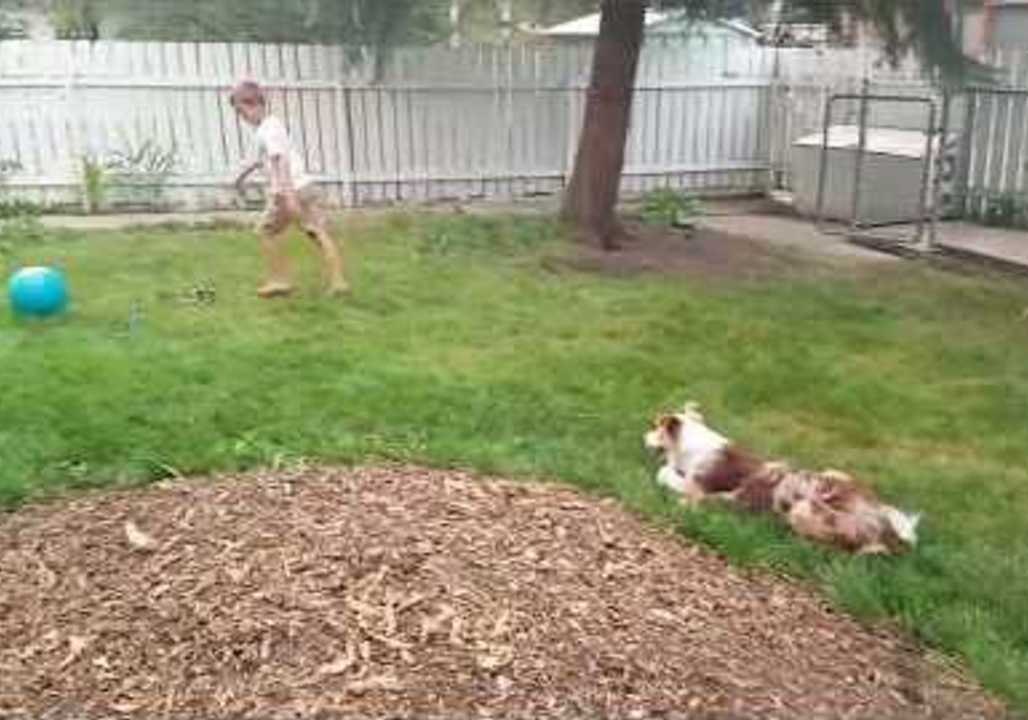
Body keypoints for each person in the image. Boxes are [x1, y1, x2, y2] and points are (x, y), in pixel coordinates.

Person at [230, 80, 349, 298]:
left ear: (251, 104)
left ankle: (279, 281)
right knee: (317, 232)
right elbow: (258, 160)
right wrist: (239, 179)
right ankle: (338, 281)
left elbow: (279, 160)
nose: (242, 118)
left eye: (240, 112)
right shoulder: (271, 126)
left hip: (288, 191)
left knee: (266, 232)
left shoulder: (267, 129)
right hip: (305, 186)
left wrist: (288, 196)